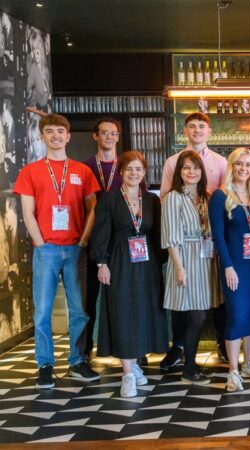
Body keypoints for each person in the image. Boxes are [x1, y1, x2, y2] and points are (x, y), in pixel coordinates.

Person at [14, 113, 101, 389]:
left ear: (68, 136)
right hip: (47, 249)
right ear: (43, 136)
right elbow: (27, 212)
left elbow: (92, 210)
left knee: (79, 310)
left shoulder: (82, 171)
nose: (55, 136)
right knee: (43, 312)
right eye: (50, 132)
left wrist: (84, 239)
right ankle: (45, 365)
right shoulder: (31, 171)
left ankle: (77, 360)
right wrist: (40, 242)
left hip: (76, 248)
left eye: (60, 131)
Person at [90, 151, 168, 398]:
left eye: (139, 169)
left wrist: (161, 263)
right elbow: (100, 234)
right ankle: (127, 374)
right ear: (121, 172)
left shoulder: (151, 200)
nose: (134, 174)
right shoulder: (109, 199)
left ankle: (134, 363)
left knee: (144, 313)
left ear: (144, 173)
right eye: (129, 169)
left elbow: (157, 236)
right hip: (120, 262)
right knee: (123, 313)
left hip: (147, 264)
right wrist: (102, 263)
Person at [159, 112, 228, 369]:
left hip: (207, 257)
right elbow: (169, 229)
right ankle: (184, 356)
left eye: (195, 168)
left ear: (209, 131)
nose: (191, 171)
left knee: (204, 311)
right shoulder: (174, 193)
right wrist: (178, 266)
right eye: (186, 168)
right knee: (189, 312)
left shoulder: (208, 194)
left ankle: (201, 356)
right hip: (185, 258)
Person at [209, 148, 250, 392]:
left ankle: (248, 363)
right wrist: (228, 266)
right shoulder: (220, 196)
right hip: (235, 266)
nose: (244, 169)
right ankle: (233, 371)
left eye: (248, 165)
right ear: (231, 166)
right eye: (239, 164)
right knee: (236, 315)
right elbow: (218, 237)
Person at [82, 118, 125, 361]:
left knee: (123, 297)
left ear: (118, 137)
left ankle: (127, 349)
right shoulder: (84, 168)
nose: (109, 137)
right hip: (93, 242)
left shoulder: (127, 166)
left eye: (113, 133)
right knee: (89, 299)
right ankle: (85, 350)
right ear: (95, 136)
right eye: (104, 133)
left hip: (121, 244)